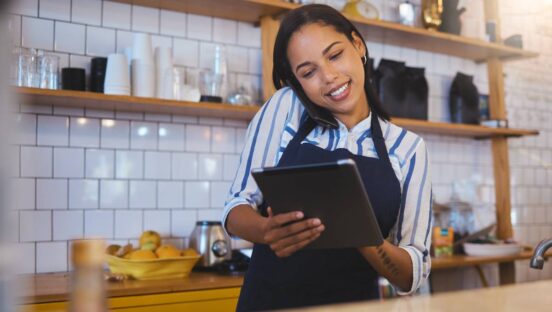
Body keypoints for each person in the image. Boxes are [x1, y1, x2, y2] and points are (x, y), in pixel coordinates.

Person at [222, 4, 432, 311]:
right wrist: (266, 231)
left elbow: (412, 274)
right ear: (298, 81)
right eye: (309, 72)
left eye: (334, 55)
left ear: (357, 45)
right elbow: (235, 207)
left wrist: (363, 234)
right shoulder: (285, 108)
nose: (329, 77)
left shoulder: (408, 148)